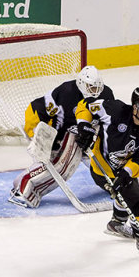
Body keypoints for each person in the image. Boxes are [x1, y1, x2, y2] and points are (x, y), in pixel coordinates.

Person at [76, 86, 139, 258]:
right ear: (135, 107)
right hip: (101, 170)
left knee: (126, 191)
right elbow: (85, 105)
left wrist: (126, 174)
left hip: (122, 172)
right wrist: (83, 125)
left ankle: (116, 224)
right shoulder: (114, 110)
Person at [8, 65, 112, 208]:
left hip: (84, 134)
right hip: (57, 133)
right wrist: (44, 140)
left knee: (103, 156)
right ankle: (22, 189)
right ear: (81, 83)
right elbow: (38, 110)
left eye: (96, 87)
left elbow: (108, 120)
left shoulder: (106, 94)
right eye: (90, 87)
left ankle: (114, 184)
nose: (94, 91)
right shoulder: (66, 93)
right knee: (61, 167)